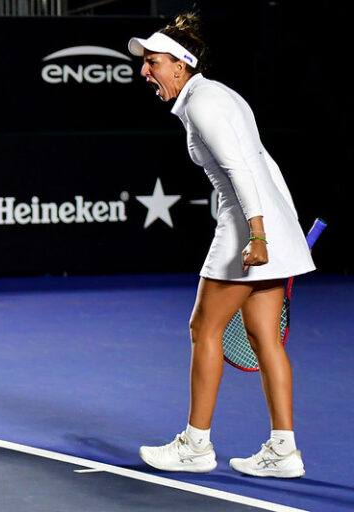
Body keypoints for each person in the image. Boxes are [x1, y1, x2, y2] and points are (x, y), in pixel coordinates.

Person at [127, 14, 315, 478]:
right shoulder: (221, 95)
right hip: (270, 227)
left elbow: (241, 171)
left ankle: (195, 445)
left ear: (181, 65)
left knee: (202, 329)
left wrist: (258, 235)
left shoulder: (203, 105)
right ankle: (284, 450)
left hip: (246, 231)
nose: (145, 72)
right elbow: (264, 165)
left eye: (153, 63)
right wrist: (282, 227)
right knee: (263, 338)